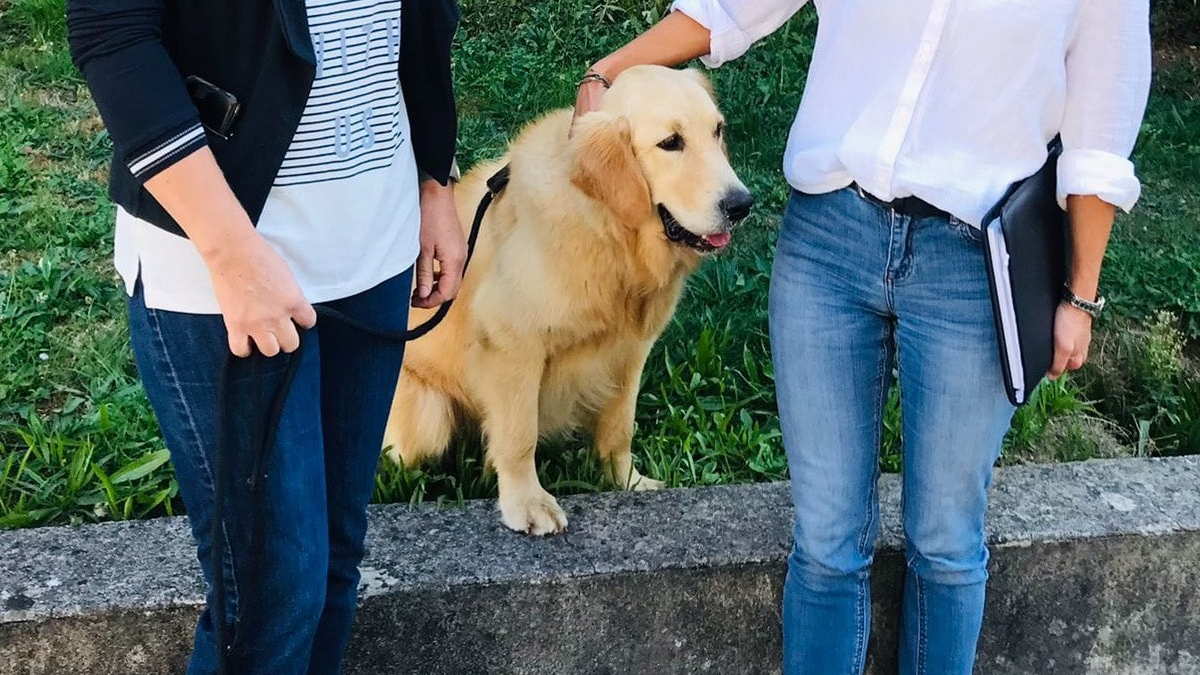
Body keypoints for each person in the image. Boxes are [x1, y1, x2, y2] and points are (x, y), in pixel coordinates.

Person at [574, 2, 1150, 674]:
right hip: (829, 239)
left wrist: (1079, 294)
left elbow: (1098, 134)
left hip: (971, 262)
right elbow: (733, 8)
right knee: (824, 540)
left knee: (945, 542)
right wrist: (607, 72)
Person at [66, 0, 465, 673]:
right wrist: (231, 255)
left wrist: (435, 179)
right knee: (273, 594)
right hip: (217, 261)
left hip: (377, 243)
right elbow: (112, 31)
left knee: (334, 565)